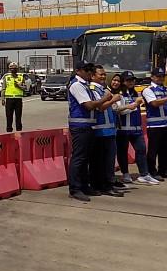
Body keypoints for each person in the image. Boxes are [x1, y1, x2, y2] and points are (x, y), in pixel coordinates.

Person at [67, 61, 109, 202]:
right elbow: (89, 105)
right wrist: (105, 98)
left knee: (85, 158)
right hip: (80, 126)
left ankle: (84, 186)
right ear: (78, 71)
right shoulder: (77, 85)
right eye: (86, 70)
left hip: (89, 125)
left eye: (90, 69)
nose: (89, 72)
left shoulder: (86, 86)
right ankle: (75, 189)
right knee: (79, 158)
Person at [113, 71, 160, 185]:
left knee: (141, 150)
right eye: (128, 80)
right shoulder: (119, 94)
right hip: (123, 129)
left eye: (132, 80)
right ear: (123, 82)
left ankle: (144, 174)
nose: (131, 82)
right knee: (122, 152)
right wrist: (134, 104)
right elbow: (119, 111)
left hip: (136, 129)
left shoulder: (136, 93)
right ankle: (125, 174)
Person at [87, 65, 124, 197]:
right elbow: (100, 107)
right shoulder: (93, 89)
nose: (103, 76)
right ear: (93, 76)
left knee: (109, 160)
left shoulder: (102, 89)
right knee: (100, 161)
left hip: (109, 130)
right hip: (100, 130)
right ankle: (101, 185)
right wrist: (113, 99)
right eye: (100, 74)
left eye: (104, 74)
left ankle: (108, 184)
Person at [142, 67, 167, 180]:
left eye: (162, 76)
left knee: (166, 150)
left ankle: (164, 170)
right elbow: (154, 103)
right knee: (153, 150)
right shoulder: (148, 90)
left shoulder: (166, 89)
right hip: (155, 125)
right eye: (158, 76)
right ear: (152, 77)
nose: (161, 78)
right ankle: (152, 171)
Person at [0, 62, 27, 132]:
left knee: (18, 117)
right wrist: (2, 99)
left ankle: (19, 131)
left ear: (17, 69)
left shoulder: (21, 77)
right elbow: (3, 89)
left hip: (18, 99)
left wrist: (19, 86)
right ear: (9, 69)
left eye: (14, 68)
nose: (13, 70)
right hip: (9, 99)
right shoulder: (6, 78)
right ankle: (9, 131)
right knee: (9, 116)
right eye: (11, 68)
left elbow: (25, 88)